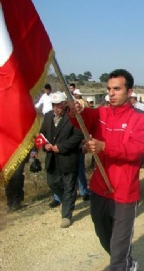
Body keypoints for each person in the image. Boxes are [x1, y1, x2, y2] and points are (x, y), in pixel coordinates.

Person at [69, 69, 144, 271]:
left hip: (124, 192)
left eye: (117, 89)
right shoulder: (102, 113)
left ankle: (120, 265)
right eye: (109, 89)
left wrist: (105, 147)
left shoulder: (140, 119)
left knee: (120, 243)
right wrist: (76, 110)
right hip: (99, 188)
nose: (111, 93)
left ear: (129, 91)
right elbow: (84, 119)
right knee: (104, 234)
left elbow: (135, 150)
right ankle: (126, 262)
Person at [40, 91, 84, 228]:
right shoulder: (48, 117)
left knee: (69, 186)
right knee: (52, 182)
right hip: (52, 159)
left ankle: (66, 215)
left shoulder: (73, 117)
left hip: (68, 158)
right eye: (53, 105)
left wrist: (61, 147)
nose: (56, 108)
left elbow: (78, 136)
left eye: (58, 105)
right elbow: (42, 133)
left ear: (64, 104)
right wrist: (44, 144)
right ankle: (67, 200)